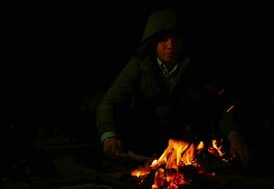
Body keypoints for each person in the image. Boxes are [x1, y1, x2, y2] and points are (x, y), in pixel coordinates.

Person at [96, 9, 249, 165]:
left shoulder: (195, 68)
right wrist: (109, 135)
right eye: (163, 39)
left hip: (184, 150)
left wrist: (234, 135)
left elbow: (219, 106)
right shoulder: (138, 66)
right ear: (153, 42)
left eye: (175, 39)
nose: (170, 45)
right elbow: (108, 104)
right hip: (142, 146)